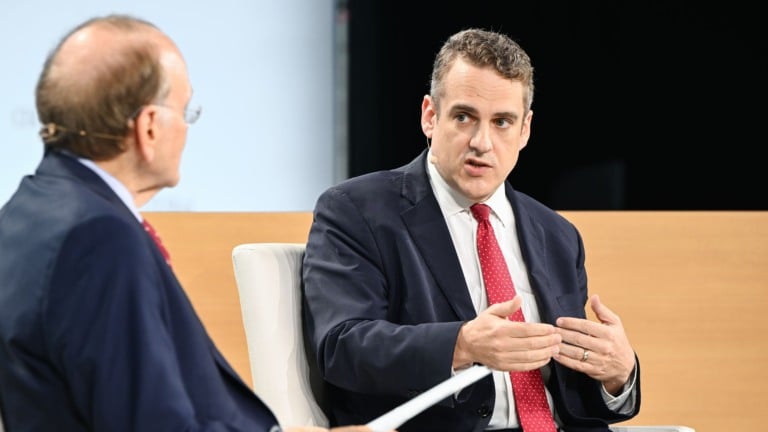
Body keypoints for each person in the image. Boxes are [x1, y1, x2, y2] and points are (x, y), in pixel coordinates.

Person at [0, 14, 382, 432]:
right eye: (185, 111)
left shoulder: (26, 208)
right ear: (148, 127)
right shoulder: (100, 239)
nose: (186, 127)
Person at [302, 28, 641, 432]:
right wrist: (462, 344)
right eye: (464, 117)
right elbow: (343, 347)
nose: (482, 142)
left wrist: (618, 374)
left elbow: (572, 397)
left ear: (525, 130)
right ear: (430, 116)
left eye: (502, 122)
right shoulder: (356, 211)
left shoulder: (557, 235)